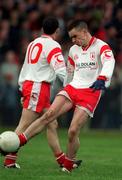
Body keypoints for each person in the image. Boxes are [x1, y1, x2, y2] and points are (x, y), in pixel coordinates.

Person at [5, 19, 115, 172]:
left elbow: (110, 61)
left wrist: (103, 78)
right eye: (71, 37)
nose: (73, 41)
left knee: (72, 130)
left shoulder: (101, 46)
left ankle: (67, 164)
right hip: (71, 88)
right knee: (48, 116)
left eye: (75, 36)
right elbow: (69, 72)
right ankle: (17, 143)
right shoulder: (73, 50)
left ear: (84, 31)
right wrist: (65, 88)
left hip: (90, 91)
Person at [3, 16, 69, 169]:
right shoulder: (53, 45)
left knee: (52, 123)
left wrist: (21, 89)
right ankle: (8, 158)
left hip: (31, 85)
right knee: (25, 124)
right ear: (57, 31)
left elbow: (26, 67)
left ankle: (62, 161)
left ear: (42, 29)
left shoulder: (33, 43)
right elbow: (60, 69)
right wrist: (69, 85)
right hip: (38, 87)